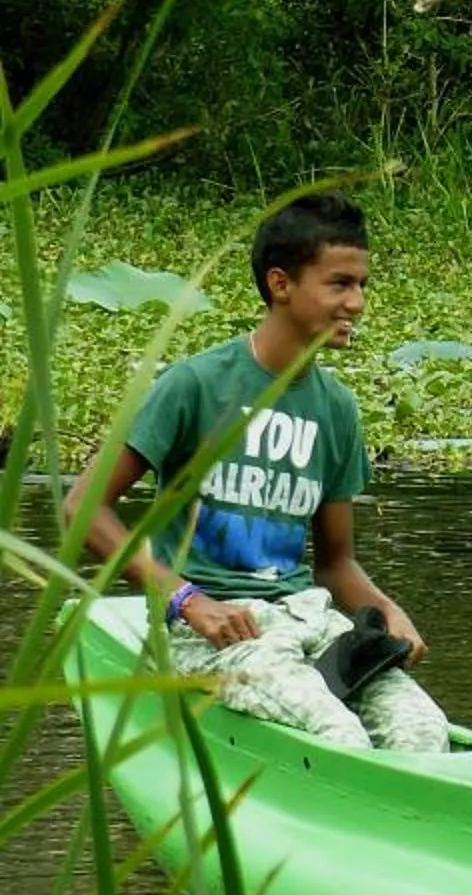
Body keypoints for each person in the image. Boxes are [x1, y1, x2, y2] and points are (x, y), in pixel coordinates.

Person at [67, 191, 449, 754]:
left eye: (362, 285)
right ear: (280, 284)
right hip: (205, 634)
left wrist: (388, 611)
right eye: (340, 284)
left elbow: (336, 563)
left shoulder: (337, 408)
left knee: (423, 733)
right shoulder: (194, 385)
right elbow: (82, 507)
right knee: (339, 734)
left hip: (307, 622)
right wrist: (187, 600)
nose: (358, 303)